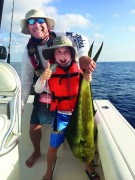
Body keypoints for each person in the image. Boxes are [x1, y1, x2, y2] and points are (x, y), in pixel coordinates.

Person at [20, 8, 96, 169]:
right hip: (46, 87)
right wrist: (21, 104)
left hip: (71, 88)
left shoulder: (61, 34)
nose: (37, 25)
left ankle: (86, 159)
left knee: (82, 127)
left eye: (40, 20)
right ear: (28, 28)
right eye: (31, 22)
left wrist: (82, 55)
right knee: (34, 125)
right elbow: (26, 81)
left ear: (48, 25)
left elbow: (81, 37)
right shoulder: (27, 53)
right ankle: (36, 151)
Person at [35, 36, 99, 180]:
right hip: (61, 117)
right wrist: (43, 78)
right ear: (53, 55)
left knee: (88, 141)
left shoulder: (79, 68)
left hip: (80, 115)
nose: (62, 55)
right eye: (58, 52)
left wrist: (88, 76)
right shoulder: (50, 71)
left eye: (66, 52)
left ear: (72, 54)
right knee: (54, 145)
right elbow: (38, 89)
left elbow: (88, 81)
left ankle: (88, 167)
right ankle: (48, 171)